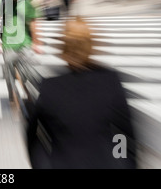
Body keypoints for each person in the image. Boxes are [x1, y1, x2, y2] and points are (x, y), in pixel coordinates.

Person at [26, 17, 137, 169]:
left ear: (63, 49)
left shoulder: (50, 88)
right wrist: (122, 161)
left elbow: (34, 139)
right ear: (90, 46)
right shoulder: (110, 82)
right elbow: (123, 134)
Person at [0, 0, 43, 105]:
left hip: (24, 44)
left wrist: (36, 42)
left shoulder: (27, 3)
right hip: (8, 45)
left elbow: (32, 22)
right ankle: (13, 98)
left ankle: (30, 98)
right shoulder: (3, 2)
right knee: (9, 76)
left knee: (28, 75)